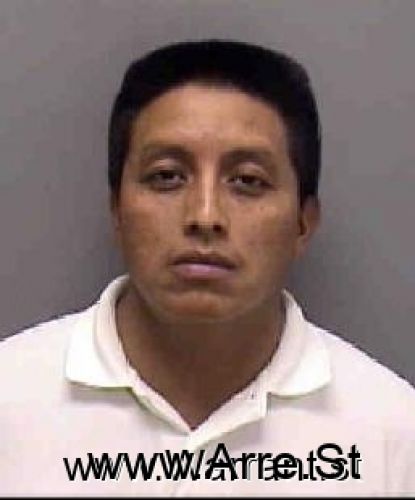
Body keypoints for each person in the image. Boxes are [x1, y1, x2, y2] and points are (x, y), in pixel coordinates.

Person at [1, 40, 414, 496]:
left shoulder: (394, 435)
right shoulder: (10, 400)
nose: (204, 215)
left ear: (303, 222)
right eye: (167, 176)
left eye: (248, 181)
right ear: (117, 210)